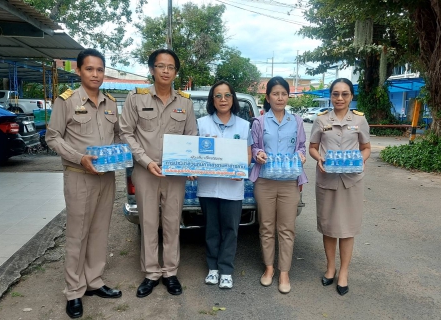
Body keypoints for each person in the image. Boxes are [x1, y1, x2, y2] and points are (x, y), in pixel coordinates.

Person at [46, 48, 122, 319]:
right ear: (78, 71)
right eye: (89, 69)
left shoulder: (111, 102)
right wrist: (79, 158)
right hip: (79, 175)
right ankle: (74, 291)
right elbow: (53, 137)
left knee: (100, 230)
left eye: (100, 69)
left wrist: (120, 155)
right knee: (78, 234)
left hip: (107, 176)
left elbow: (118, 136)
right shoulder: (66, 101)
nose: (95, 74)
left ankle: (94, 281)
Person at [119, 49, 197, 298]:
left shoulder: (185, 102)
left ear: (175, 72)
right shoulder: (136, 98)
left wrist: (189, 164)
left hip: (175, 174)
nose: (166, 71)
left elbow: (191, 136)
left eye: (171, 67)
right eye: (161, 66)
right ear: (152, 69)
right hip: (145, 171)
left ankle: (170, 272)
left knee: (172, 222)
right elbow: (125, 132)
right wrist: (144, 160)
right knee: (149, 222)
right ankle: (151, 273)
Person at [308, 78, 371, 296]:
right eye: (336, 94)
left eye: (345, 94)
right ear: (331, 96)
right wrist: (319, 159)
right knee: (329, 226)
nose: (340, 98)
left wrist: (360, 160)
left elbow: (366, 148)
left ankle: (343, 272)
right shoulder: (321, 119)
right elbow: (313, 147)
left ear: (351, 96)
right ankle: (330, 268)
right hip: (327, 180)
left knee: (347, 228)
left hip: (351, 181)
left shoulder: (360, 121)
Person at [250, 76, 308, 294]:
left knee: (287, 228)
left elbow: (302, 146)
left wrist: (302, 156)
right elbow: (254, 148)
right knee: (266, 227)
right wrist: (258, 154)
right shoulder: (260, 122)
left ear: (288, 96)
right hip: (265, 181)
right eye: (275, 93)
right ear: (268, 97)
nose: (280, 97)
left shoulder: (297, 121)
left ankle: (284, 272)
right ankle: (269, 268)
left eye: (283, 93)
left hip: (289, 182)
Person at [195, 80, 252, 289]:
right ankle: (212, 268)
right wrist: (192, 168)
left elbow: (248, 153)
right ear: (212, 100)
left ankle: (226, 270)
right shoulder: (202, 124)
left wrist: (242, 170)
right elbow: (195, 152)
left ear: (233, 99)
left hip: (232, 187)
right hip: (208, 187)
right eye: (218, 96)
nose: (223, 100)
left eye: (227, 95)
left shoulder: (244, 125)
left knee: (230, 229)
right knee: (211, 228)